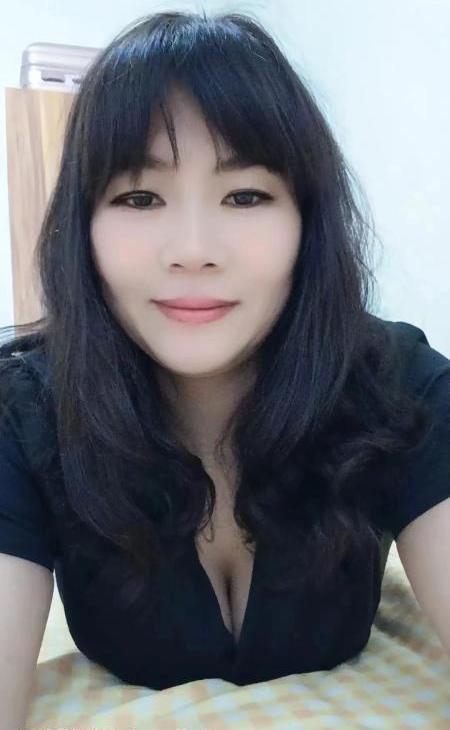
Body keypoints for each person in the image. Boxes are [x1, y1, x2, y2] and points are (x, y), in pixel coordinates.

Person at [1, 9, 449, 725]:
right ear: (82, 228)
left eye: (246, 196)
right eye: (139, 197)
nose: (193, 250)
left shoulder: (401, 384)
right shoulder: (22, 412)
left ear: (307, 222)